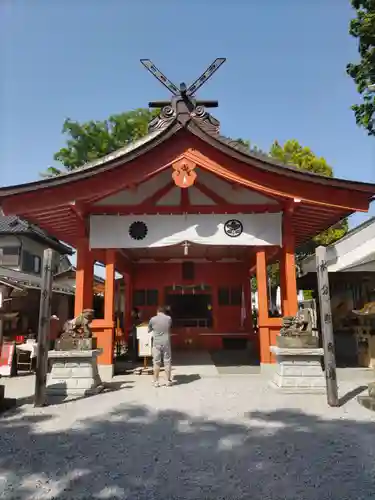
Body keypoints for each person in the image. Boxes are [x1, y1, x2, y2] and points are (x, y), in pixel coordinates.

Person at [148, 306, 172, 387]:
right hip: (166, 342)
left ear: (157, 311)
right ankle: (168, 381)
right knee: (167, 361)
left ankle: (156, 381)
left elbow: (149, 330)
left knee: (156, 362)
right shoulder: (168, 318)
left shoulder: (153, 319)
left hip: (156, 343)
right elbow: (169, 326)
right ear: (164, 312)